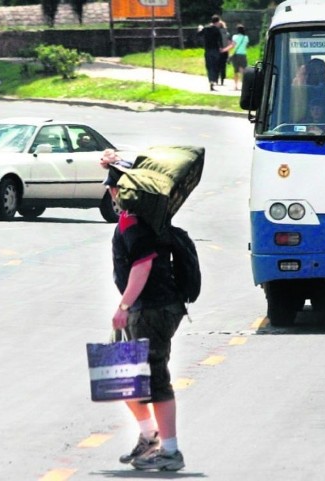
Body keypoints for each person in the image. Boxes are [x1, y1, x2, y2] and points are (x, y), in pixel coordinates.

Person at [100, 149, 187, 472]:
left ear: (117, 191)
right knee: (121, 374)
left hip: (153, 308)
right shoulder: (138, 218)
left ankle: (171, 450)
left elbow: (143, 264)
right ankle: (149, 436)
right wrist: (114, 160)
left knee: (155, 379)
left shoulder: (132, 222)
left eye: (111, 187)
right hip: (146, 307)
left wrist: (123, 305)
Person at [197, 14, 229, 91]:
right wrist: (221, 48)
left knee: (209, 66)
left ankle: (211, 81)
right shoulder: (217, 30)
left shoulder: (206, 28)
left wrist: (199, 29)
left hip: (207, 50)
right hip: (215, 50)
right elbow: (220, 40)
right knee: (215, 66)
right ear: (217, 22)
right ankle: (214, 80)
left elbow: (198, 34)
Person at [226, 24, 249, 90]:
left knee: (236, 71)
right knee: (243, 71)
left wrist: (225, 49)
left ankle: (236, 86)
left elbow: (233, 45)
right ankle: (244, 85)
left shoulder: (234, 37)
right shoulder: (246, 37)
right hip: (243, 54)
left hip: (236, 55)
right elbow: (246, 45)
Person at [217, 20, 230, 86]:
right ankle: (222, 80)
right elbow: (228, 44)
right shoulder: (227, 34)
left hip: (218, 51)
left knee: (217, 65)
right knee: (223, 66)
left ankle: (216, 79)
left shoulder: (216, 33)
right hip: (225, 51)